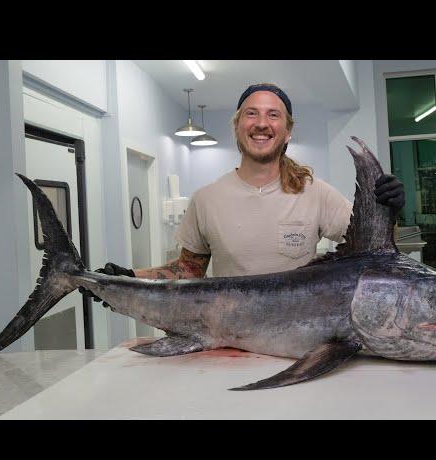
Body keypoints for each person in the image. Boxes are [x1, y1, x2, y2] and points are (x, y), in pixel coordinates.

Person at [82, 83, 404, 306]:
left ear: (288, 130)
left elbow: (373, 251)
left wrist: (388, 214)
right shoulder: (206, 199)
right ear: (237, 125)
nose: (261, 123)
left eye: (273, 115)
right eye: (251, 114)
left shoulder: (316, 193)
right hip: (227, 342)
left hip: (300, 340)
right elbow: (187, 271)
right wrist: (128, 278)